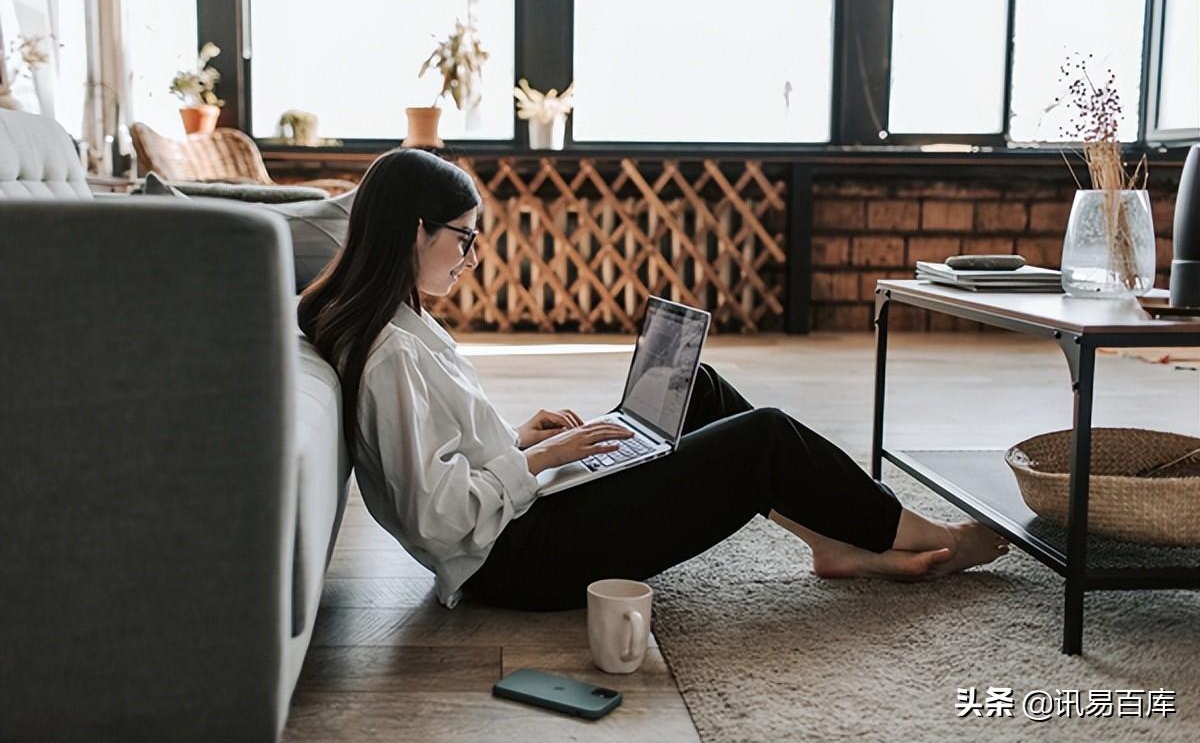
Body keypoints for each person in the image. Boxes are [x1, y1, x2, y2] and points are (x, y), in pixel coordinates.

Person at [298, 150, 1009, 612]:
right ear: (415, 231)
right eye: (465, 238)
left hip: (517, 522)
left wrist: (519, 437)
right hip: (512, 563)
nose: (472, 257)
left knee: (694, 386)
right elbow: (439, 518)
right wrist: (538, 461)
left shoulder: (398, 323)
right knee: (763, 438)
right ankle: (922, 535)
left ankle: (831, 541)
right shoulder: (392, 351)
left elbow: (438, 460)